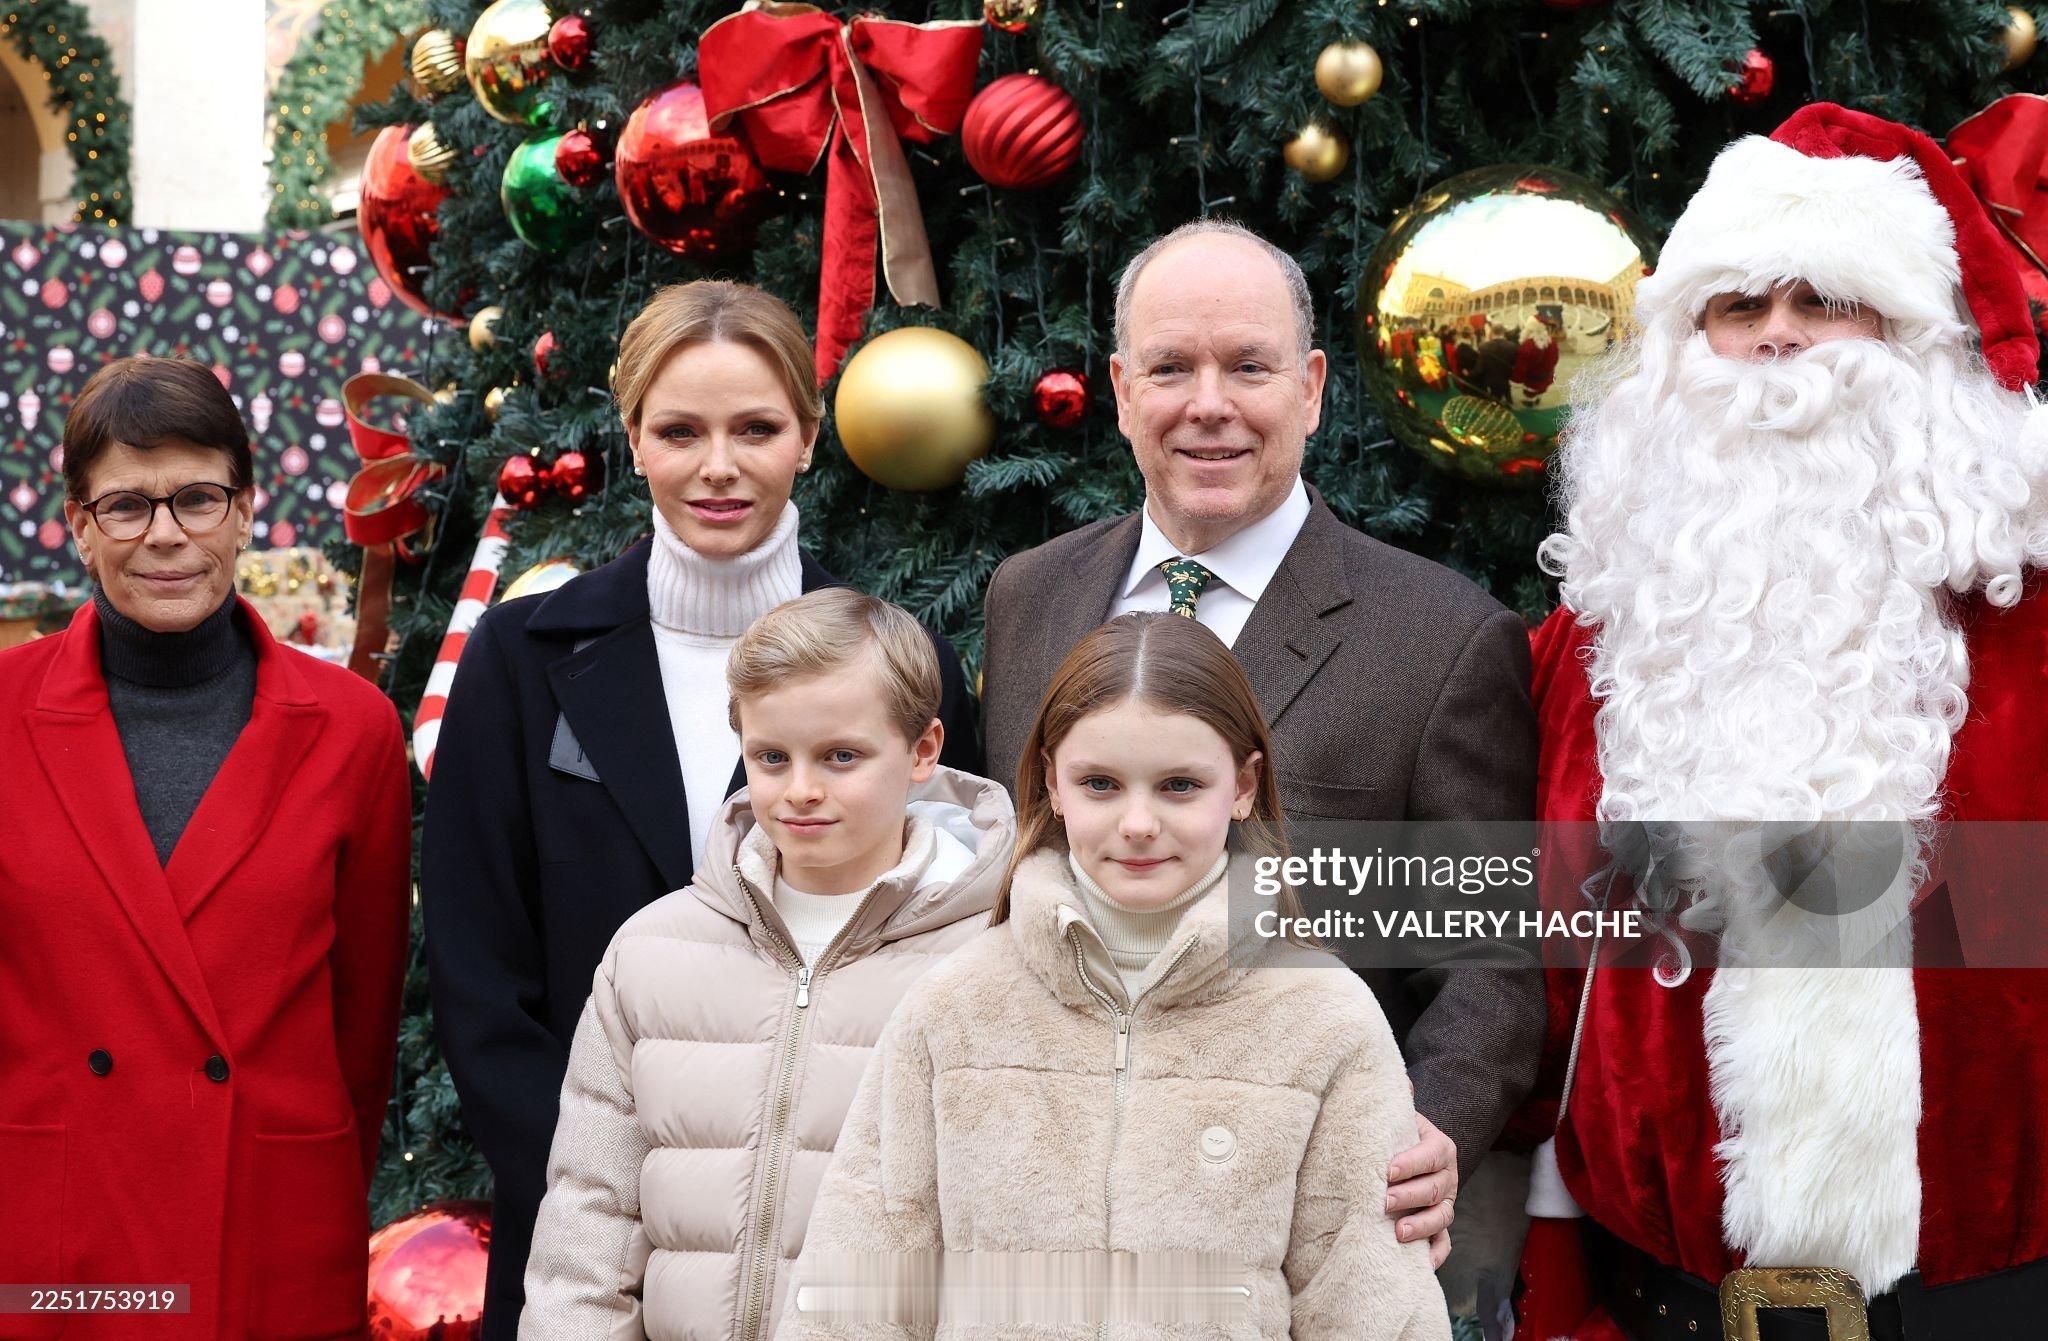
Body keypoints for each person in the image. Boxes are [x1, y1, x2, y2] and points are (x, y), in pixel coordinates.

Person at [1514, 104, 2048, 1339]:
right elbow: (1533, 986)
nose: (1774, 337)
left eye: (1824, 301)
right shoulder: (1586, 649)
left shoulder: (2032, 633)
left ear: (1916, 340)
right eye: (1737, 305)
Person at [421, 281, 986, 1339]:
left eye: (756, 429)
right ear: (633, 439)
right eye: (680, 431)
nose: (718, 466)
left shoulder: (911, 668)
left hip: (833, 1259)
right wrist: (596, 1200)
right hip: (575, 1252)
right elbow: (476, 972)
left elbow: (951, 956)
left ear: (808, 438)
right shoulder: (520, 659)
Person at [981, 218, 1540, 1268]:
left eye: (1248, 366)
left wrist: (1431, 1136)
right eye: (1170, 368)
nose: (1209, 404)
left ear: (1311, 388)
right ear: (1120, 390)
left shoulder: (1442, 638)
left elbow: (1486, 963)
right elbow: (1006, 889)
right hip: (1036, 1204)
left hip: (1291, 1218)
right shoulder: (1030, 597)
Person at [780, 613, 1451, 1340]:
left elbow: (1374, 1310)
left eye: (1179, 785)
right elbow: (854, 1297)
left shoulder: (1327, 1019)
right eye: (1099, 783)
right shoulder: (954, 1005)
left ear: (1244, 784)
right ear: (1053, 783)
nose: (1137, 823)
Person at [0, 355, 411, 1336]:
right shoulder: (4, 713)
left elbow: (363, 1026)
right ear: (79, 523)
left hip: (269, 1230)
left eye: (196, 497)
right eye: (127, 506)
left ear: (244, 508)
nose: (166, 534)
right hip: (57, 1242)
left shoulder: (352, 728)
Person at [518, 587, 1016, 1339]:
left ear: (923, 750)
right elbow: (587, 1230)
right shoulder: (650, 953)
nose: (801, 791)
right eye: (772, 758)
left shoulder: (994, 963)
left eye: (841, 756)